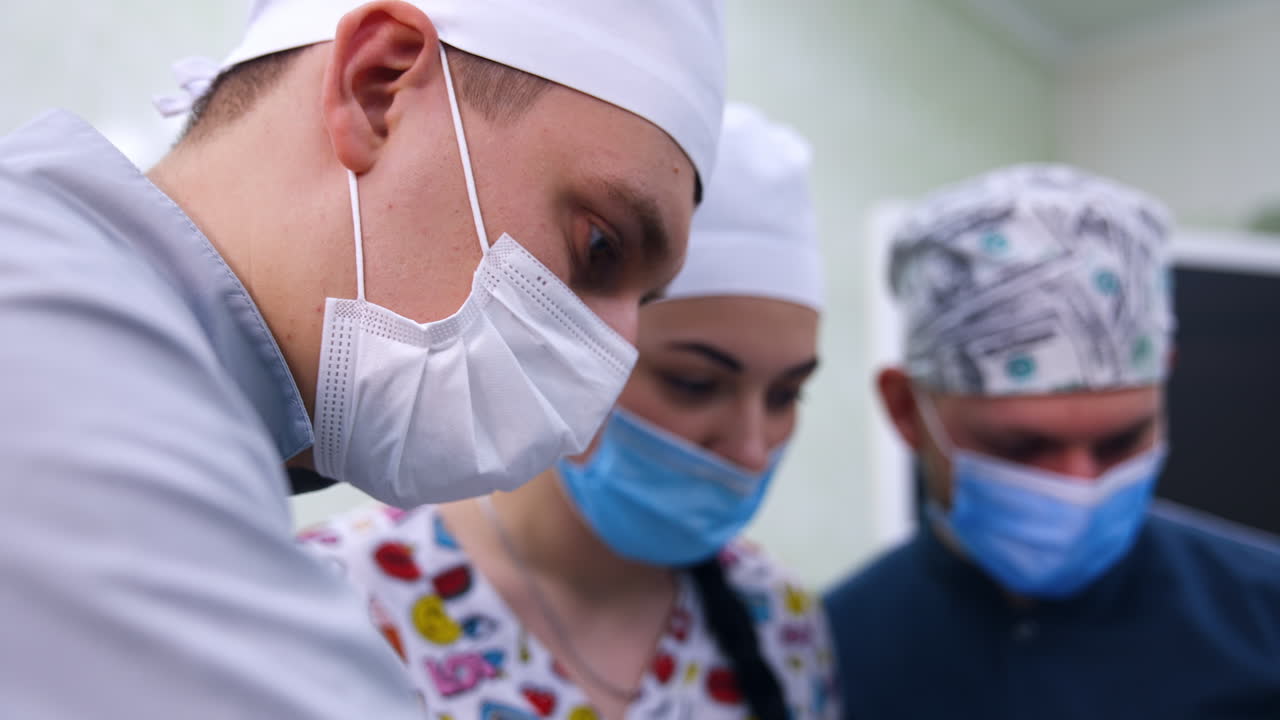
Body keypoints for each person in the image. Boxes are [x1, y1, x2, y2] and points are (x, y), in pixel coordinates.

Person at [0, 1, 726, 717]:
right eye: (599, 246)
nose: (595, 405)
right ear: (376, 86)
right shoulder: (58, 355)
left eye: (645, 307)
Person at [300, 103, 838, 720]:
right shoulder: (341, 597)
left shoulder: (782, 624)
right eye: (695, 383)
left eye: (785, 395)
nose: (751, 448)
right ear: (566, 350)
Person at [824, 164, 1280, 719]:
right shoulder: (821, 658)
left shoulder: (1264, 613)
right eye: (1022, 448)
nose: (1079, 487)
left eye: (1120, 442)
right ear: (906, 411)